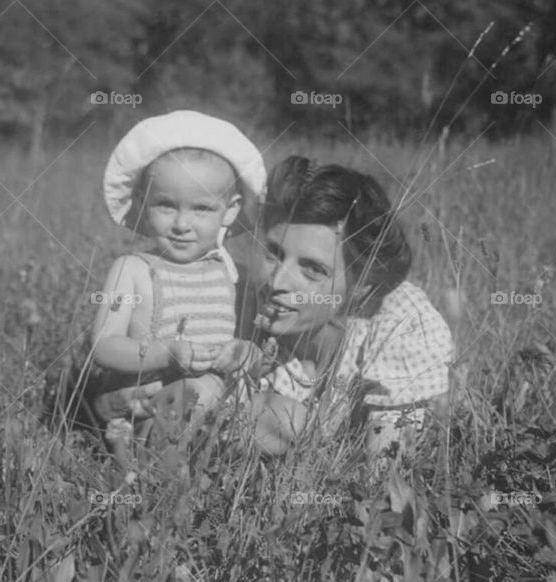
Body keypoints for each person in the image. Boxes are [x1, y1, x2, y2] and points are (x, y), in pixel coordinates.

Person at [244, 156, 456, 459]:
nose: (278, 281)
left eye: (313, 269)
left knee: (286, 421)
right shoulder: (238, 301)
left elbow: (385, 471)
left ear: (362, 284)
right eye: (273, 253)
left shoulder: (398, 325)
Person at [89, 110, 265, 460]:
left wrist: (245, 354)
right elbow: (104, 345)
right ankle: (158, 459)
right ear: (143, 204)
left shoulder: (234, 276)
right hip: (147, 404)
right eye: (166, 205)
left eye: (201, 208)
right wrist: (165, 352)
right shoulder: (134, 270)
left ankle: (214, 458)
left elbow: (253, 345)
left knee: (231, 399)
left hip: (217, 406)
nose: (182, 223)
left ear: (229, 212)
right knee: (192, 395)